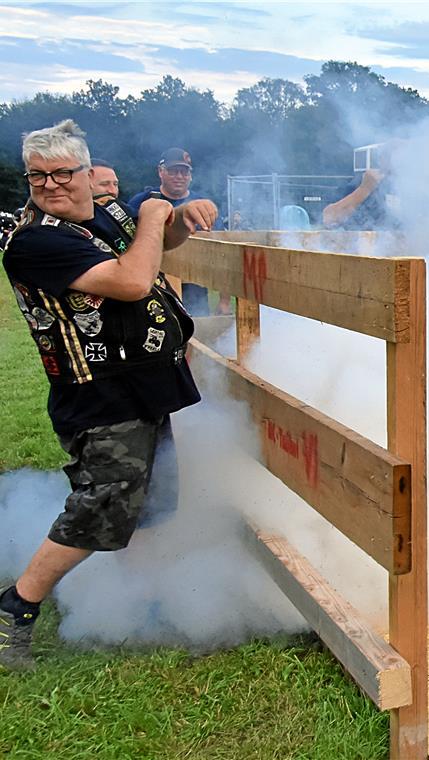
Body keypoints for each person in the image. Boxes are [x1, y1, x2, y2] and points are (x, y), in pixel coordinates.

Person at [0, 119, 216, 671]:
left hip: (142, 385)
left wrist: (183, 219)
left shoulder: (104, 213)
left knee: (148, 506)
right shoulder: (36, 242)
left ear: (85, 169)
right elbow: (132, 281)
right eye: (37, 176)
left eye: (61, 173)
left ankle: (138, 602)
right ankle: (14, 611)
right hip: (96, 396)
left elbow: (156, 245)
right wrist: (151, 213)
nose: (49, 185)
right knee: (101, 506)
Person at [126, 148, 210, 315]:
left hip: (196, 291)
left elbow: (219, 250)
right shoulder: (141, 202)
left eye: (184, 172)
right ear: (160, 172)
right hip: (154, 289)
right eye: (173, 171)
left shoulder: (202, 205)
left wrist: (223, 301)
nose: (179, 176)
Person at [322, 150, 392, 230]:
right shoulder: (366, 181)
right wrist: (365, 189)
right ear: (381, 160)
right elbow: (329, 217)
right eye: (388, 156)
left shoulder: (407, 190)